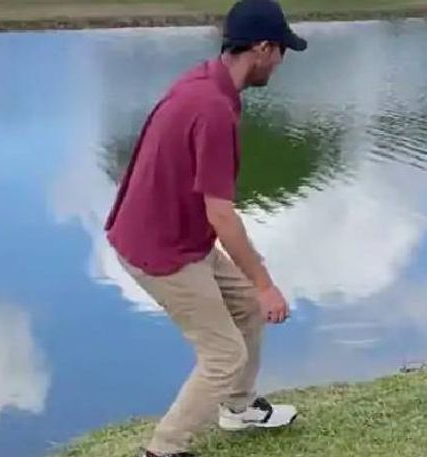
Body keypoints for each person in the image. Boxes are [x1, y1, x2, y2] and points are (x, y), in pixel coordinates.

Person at [103, 1, 307, 456]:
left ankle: (238, 408)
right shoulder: (214, 110)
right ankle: (163, 449)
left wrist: (257, 290)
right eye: (281, 52)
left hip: (178, 235)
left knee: (248, 310)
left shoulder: (206, 80)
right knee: (223, 355)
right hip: (161, 251)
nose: (281, 62)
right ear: (262, 48)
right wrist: (266, 283)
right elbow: (222, 215)